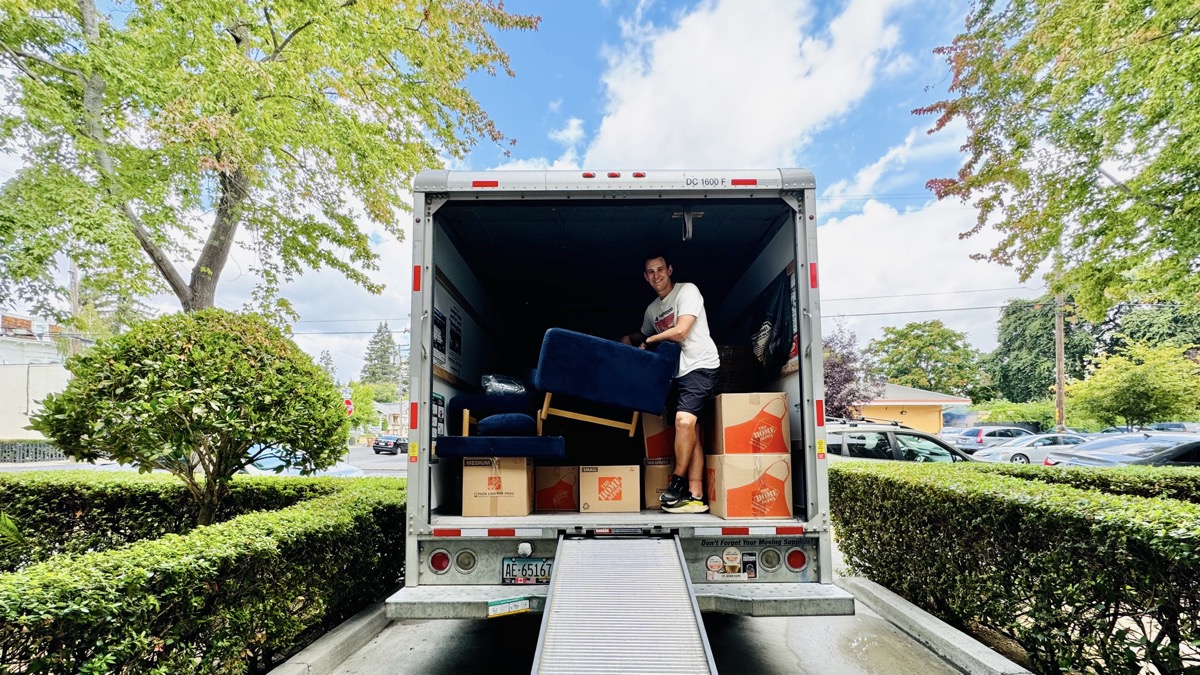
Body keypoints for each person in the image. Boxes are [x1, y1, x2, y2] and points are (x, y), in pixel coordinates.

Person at [622, 253, 721, 513]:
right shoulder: (653, 310)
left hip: (701, 365)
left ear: (669, 270)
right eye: (651, 272)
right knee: (692, 432)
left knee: (683, 422)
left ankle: (677, 482)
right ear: (646, 277)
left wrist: (651, 342)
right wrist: (628, 338)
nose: (657, 275)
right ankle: (696, 493)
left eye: (660, 269)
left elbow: (681, 331)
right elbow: (643, 332)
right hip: (676, 373)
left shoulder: (687, 291)